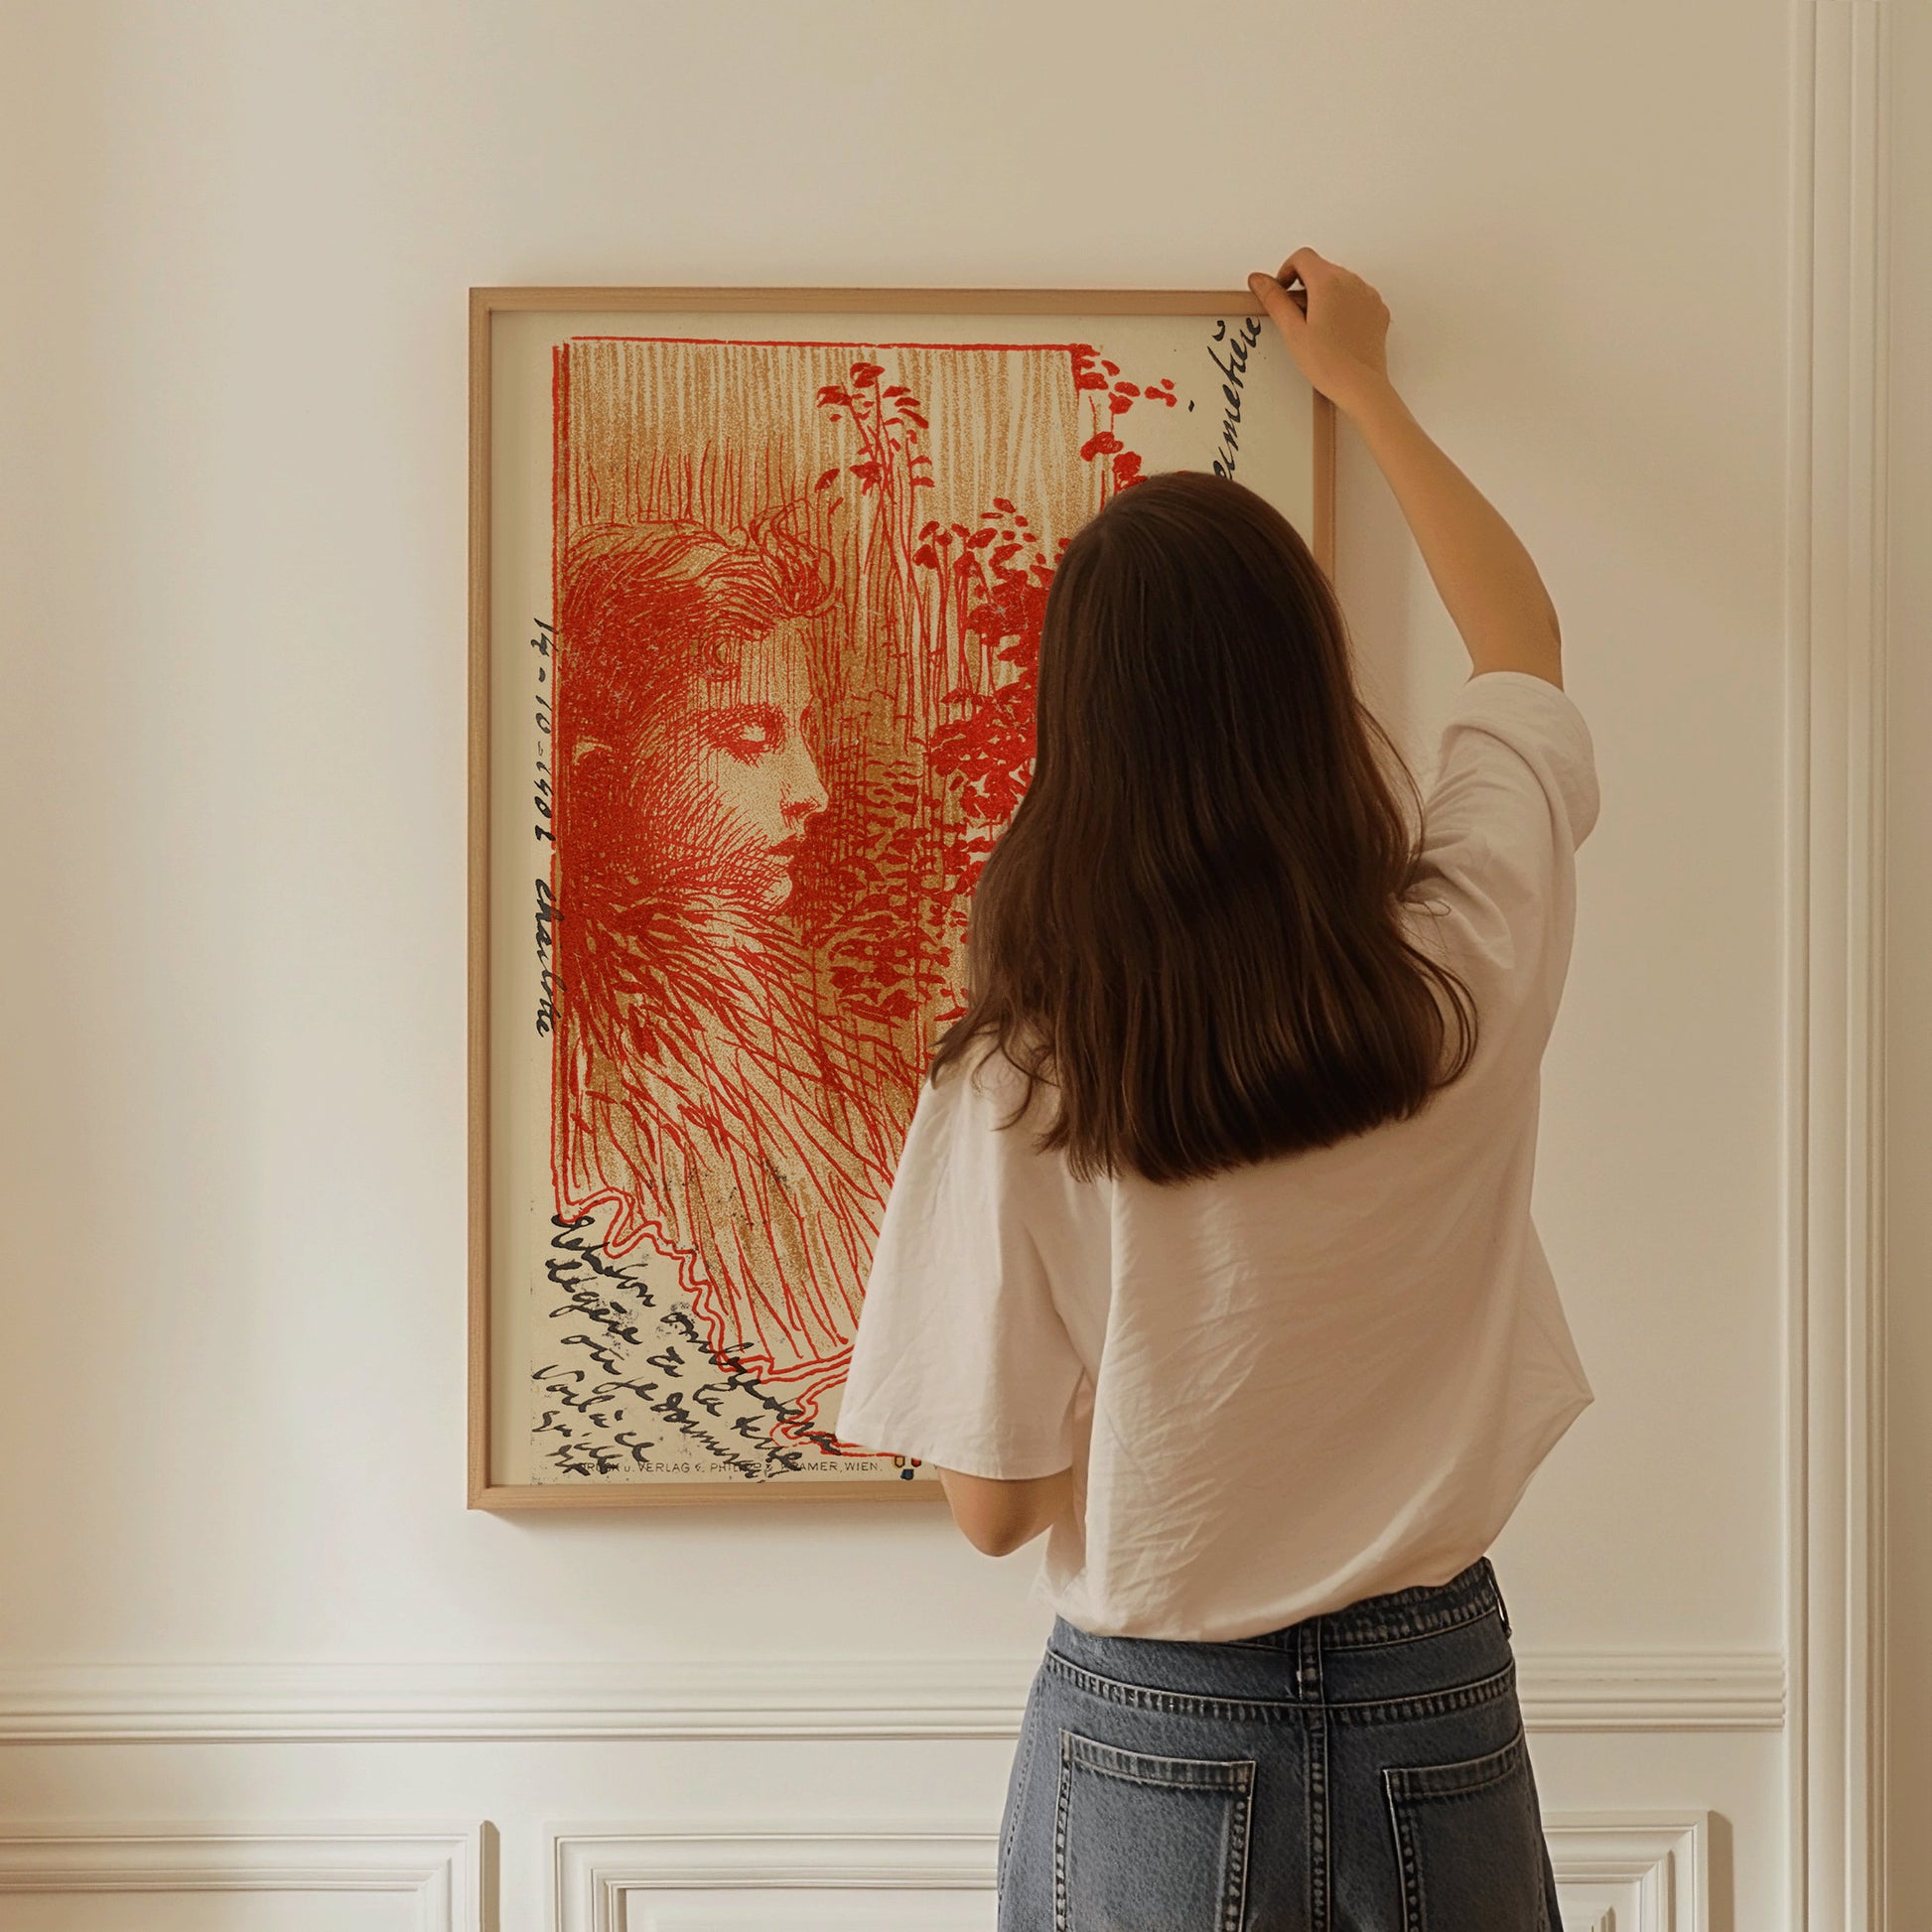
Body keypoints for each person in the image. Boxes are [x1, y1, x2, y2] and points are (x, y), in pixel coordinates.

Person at [835, 247, 1596, 1929]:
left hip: (1150, 1738)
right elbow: (1521, 647)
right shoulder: (1460, 963)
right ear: (1312, 696)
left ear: (1078, 737)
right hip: (1435, 1707)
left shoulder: (1026, 1077)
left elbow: (994, 1506)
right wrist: (1366, 389)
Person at [554, 508, 902, 1429]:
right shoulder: (596, 1104)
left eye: (802, 735)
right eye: (749, 738)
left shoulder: (809, 1060)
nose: (810, 790)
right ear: (600, 777)